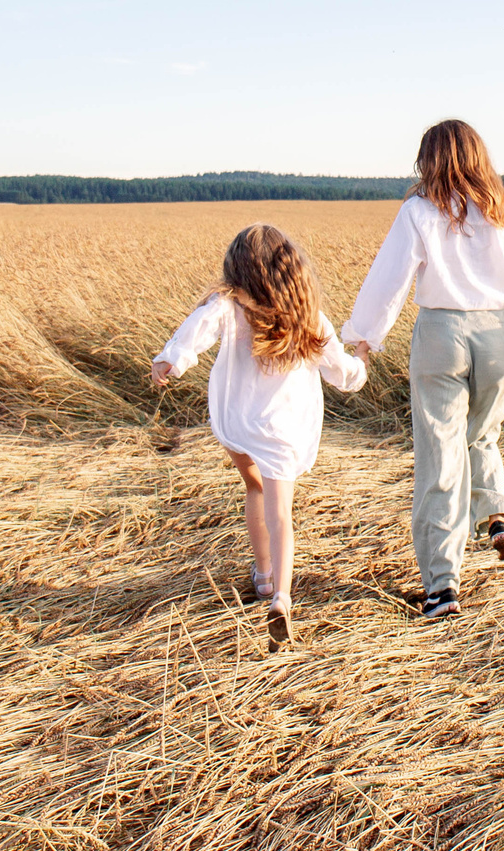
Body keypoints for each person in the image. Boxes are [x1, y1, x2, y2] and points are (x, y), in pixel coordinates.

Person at [343, 119, 504, 620]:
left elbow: (389, 282)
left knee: (439, 454)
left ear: (427, 160)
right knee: (482, 432)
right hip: (498, 336)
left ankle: (442, 586)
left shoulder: (418, 210)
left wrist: (363, 343)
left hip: (440, 336)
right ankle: (496, 515)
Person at [152, 224, 368, 645]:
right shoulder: (309, 318)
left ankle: (264, 576)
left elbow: (193, 332)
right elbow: (343, 375)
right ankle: (282, 598)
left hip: (238, 421)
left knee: (253, 486)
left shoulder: (227, 306)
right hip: (283, 432)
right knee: (281, 513)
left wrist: (170, 362)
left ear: (237, 269)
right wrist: (361, 361)